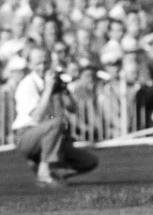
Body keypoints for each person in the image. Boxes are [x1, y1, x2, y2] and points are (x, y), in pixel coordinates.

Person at [11, 46, 98, 187]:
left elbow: (72, 109)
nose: (42, 66)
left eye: (45, 62)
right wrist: (48, 89)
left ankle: (52, 170)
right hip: (26, 135)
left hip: (50, 135)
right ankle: (44, 171)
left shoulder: (53, 80)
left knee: (89, 161)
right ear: (30, 65)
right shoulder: (27, 85)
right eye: (38, 63)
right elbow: (37, 116)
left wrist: (64, 91)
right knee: (56, 123)